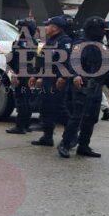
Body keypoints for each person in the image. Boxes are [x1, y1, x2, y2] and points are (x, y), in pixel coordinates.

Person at [58, 16, 109, 158]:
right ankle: (65, 144)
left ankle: (84, 146)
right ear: (93, 29)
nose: (103, 32)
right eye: (101, 29)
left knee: (92, 118)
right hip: (82, 85)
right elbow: (73, 62)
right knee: (77, 117)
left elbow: (107, 66)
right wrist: (75, 75)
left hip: (97, 87)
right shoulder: (80, 44)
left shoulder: (102, 46)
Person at [31, 15, 73, 147]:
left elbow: (67, 61)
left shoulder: (65, 41)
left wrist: (63, 77)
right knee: (45, 107)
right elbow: (42, 60)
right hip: (47, 79)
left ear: (55, 27)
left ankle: (72, 135)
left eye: (48, 25)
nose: (45, 28)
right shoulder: (47, 41)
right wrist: (37, 76)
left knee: (59, 108)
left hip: (58, 79)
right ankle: (47, 137)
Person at [6, 18, 37, 134]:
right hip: (28, 73)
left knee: (21, 100)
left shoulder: (23, 42)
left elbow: (19, 60)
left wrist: (16, 74)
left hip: (22, 74)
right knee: (27, 99)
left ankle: (20, 126)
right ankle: (26, 124)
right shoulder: (33, 41)